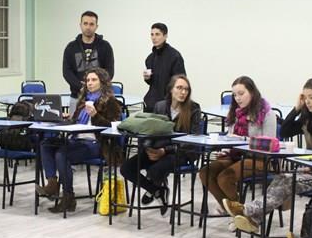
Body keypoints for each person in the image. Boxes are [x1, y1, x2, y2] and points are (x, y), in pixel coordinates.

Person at [229, 79, 312, 238]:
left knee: (288, 181)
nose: (308, 101)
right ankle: (254, 217)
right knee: (283, 177)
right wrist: (297, 108)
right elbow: (285, 131)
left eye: (311, 97)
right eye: (305, 97)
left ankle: (249, 211)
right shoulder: (308, 117)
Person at [36, 68, 122, 214]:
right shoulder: (83, 100)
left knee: (61, 154)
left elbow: (113, 128)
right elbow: (76, 122)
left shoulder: (111, 102)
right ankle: (52, 183)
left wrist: (95, 115)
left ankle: (68, 197)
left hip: (97, 144)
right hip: (77, 139)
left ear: (102, 82)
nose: (90, 83)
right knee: (46, 144)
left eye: (94, 80)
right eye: (88, 80)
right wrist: (66, 119)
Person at [121, 74, 201, 215]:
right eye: (179, 88)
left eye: (186, 89)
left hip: (181, 152)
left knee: (155, 170)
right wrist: (148, 148)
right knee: (126, 168)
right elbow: (151, 130)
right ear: (171, 89)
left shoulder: (194, 108)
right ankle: (157, 190)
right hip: (157, 149)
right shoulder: (160, 106)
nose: (183, 92)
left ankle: (155, 187)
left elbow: (192, 140)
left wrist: (165, 150)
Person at [197, 76, 276, 217]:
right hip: (236, 156)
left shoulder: (267, 113)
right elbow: (230, 136)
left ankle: (241, 214)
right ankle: (233, 210)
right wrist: (224, 149)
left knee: (225, 177)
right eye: (234, 95)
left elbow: (269, 144)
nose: (237, 98)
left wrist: (244, 140)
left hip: (259, 159)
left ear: (252, 92)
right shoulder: (235, 112)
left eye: (241, 94)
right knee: (205, 172)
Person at [62, 11, 114, 105]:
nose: (88, 27)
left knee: (99, 120)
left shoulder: (105, 46)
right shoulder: (71, 47)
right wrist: (81, 86)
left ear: (96, 26)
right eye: (85, 23)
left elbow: (109, 70)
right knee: (75, 120)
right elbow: (67, 71)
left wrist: (97, 86)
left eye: (91, 24)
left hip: (99, 97)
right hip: (77, 96)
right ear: (80, 25)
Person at [141, 22, 186, 110]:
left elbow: (181, 82)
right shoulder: (150, 58)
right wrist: (147, 78)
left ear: (165, 36)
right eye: (152, 34)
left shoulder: (175, 56)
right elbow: (152, 83)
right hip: (151, 103)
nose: (154, 37)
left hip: (168, 104)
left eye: (157, 34)